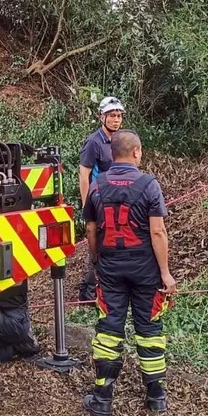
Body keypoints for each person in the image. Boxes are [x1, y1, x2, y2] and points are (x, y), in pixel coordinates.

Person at [81, 129, 177, 416]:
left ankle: (102, 398)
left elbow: (90, 229)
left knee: (109, 330)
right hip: (145, 270)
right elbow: (158, 231)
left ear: (112, 154)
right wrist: (165, 272)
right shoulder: (149, 184)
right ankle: (156, 396)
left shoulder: (97, 184)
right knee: (149, 330)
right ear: (136, 152)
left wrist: (97, 259)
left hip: (110, 267)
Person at [77, 96, 125, 302]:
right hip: (98, 202)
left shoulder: (119, 140)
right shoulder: (94, 142)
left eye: (119, 116)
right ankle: (87, 292)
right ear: (102, 118)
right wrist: (87, 205)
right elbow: (84, 174)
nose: (116, 120)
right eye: (112, 116)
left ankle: (108, 288)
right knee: (96, 247)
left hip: (116, 202)